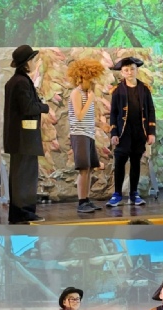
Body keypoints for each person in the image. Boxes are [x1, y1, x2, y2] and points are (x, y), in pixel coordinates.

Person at [3, 45, 50, 224]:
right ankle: (24, 213)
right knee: (25, 178)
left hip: (19, 139)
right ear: (26, 63)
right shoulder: (21, 82)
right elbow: (28, 107)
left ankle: (18, 213)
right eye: (32, 60)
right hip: (24, 139)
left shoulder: (14, 81)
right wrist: (44, 107)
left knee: (19, 177)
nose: (34, 63)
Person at [107, 57, 156, 207]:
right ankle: (117, 194)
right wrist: (114, 133)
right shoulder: (117, 90)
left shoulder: (144, 89)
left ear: (136, 70)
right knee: (120, 162)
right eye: (126, 70)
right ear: (122, 72)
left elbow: (151, 110)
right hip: (123, 132)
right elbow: (114, 113)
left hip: (139, 132)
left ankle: (134, 193)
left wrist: (151, 132)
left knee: (136, 162)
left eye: (132, 69)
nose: (129, 72)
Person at [67, 58, 106, 213]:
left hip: (88, 134)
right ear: (81, 78)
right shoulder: (76, 93)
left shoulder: (86, 93)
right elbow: (79, 115)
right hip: (79, 134)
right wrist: (90, 100)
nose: (92, 82)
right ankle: (81, 201)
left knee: (89, 168)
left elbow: (87, 117)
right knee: (83, 168)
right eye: (90, 79)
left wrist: (100, 125)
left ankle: (87, 199)